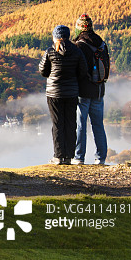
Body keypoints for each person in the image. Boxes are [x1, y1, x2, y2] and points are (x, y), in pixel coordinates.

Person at [39, 25, 88, 165]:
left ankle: (58, 156)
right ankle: (69, 157)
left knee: (57, 124)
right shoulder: (77, 51)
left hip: (54, 93)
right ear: (67, 36)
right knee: (70, 123)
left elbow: (43, 71)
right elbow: (83, 71)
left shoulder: (50, 51)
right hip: (72, 93)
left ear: (55, 37)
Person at [72, 14, 110, 165]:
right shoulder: (101, 43)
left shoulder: (78, 45)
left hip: (83, 91)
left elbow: (78, 71)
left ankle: (79, 157)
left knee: (81, 125)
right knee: (98, 125)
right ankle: (100, 158)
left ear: (79, 28)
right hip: (99, 89)